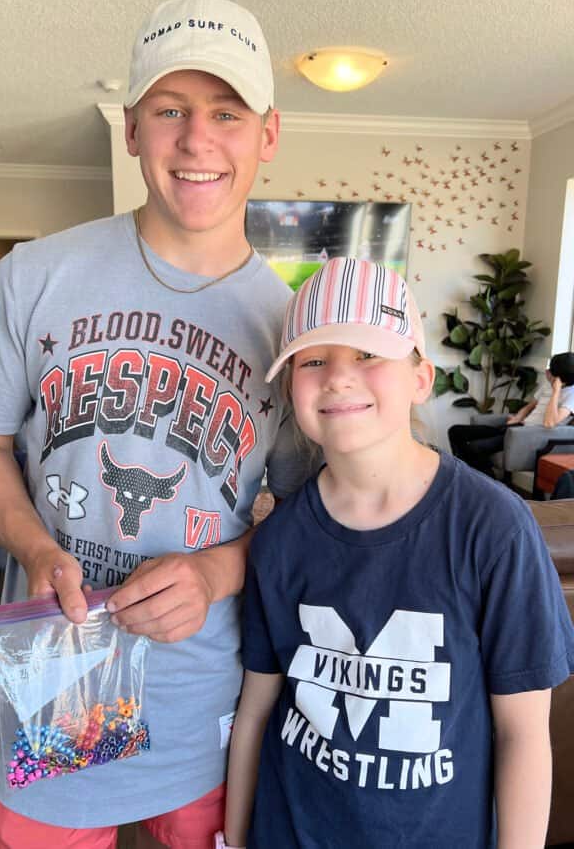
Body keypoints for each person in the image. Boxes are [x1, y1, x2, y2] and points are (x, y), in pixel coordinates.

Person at [0, 0, 311, 846]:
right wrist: (35, 546)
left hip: (209, 702)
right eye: (170, 109)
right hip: (55, 687)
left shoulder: (297, 333)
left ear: (269, 132)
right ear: (133, 128)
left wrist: (220, 571)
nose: (197, 139)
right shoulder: (35, 276)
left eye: (226, 112)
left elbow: (314, 515)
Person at [220, 258, 574, 849]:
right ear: (290, 387)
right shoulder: (279, 540)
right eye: (312, 360)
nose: (337, 377)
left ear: (420, 378)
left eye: (367, 354)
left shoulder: (493, 528)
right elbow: (257, 709)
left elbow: (524, 733)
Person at [448, 352, 574, 475]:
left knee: (475, 448)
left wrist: (556, 391)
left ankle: (492, 485)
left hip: (525, 436)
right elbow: (529, 407)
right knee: (455, 431)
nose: (547, 371)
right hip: (516, 427)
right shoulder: (547, 386)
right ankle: (463, 474)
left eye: (551, 370)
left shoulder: (571, 394)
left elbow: (550, 422)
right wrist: (517, 417)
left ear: (559, 377)